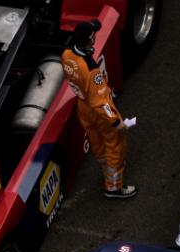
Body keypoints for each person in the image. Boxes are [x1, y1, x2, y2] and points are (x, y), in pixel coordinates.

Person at [61, 20, 137, 199]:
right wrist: (116, 122)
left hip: (83, 108)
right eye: (93, 34)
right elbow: (101, 103)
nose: (96, 36)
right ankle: (113, 187)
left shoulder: (66, 55)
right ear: (89, 39)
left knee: (98, 143)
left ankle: (105, 170)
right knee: (115, 145)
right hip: (99, 113)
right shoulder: (91, 71)